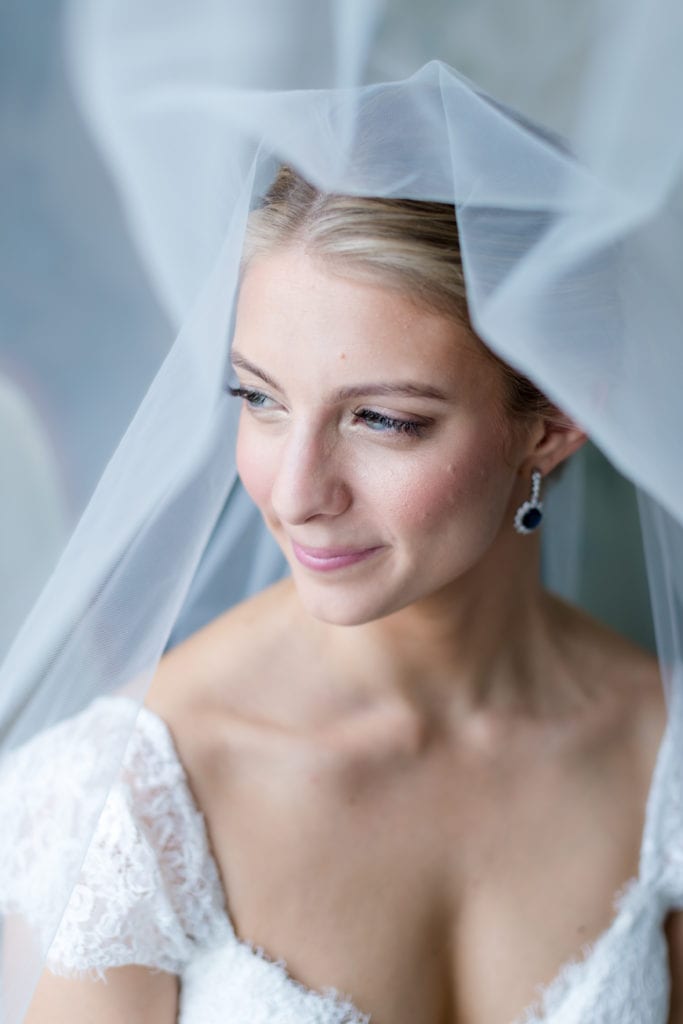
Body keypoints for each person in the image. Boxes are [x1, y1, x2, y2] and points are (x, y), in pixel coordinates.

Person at [6, 163, 680, 1024]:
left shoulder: (659, 763)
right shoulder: (128, 806)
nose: (293, 495)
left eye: (382, 419)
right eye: (258, 399)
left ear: (551, 422)